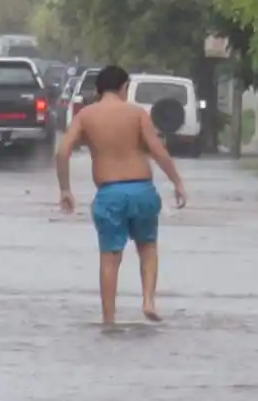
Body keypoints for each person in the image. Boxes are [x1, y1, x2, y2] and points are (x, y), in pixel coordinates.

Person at [56, 64, 187, 325]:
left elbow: (62, 152)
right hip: (142, 190)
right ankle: (148, 301)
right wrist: (177, 182)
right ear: (124, 87)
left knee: (110, 257)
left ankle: (108, 320)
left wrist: (65, 189)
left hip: (110, 193)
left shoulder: (86, 116)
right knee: (147, 248)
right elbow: (158, 151)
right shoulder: (137, 113)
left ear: (98, 89)